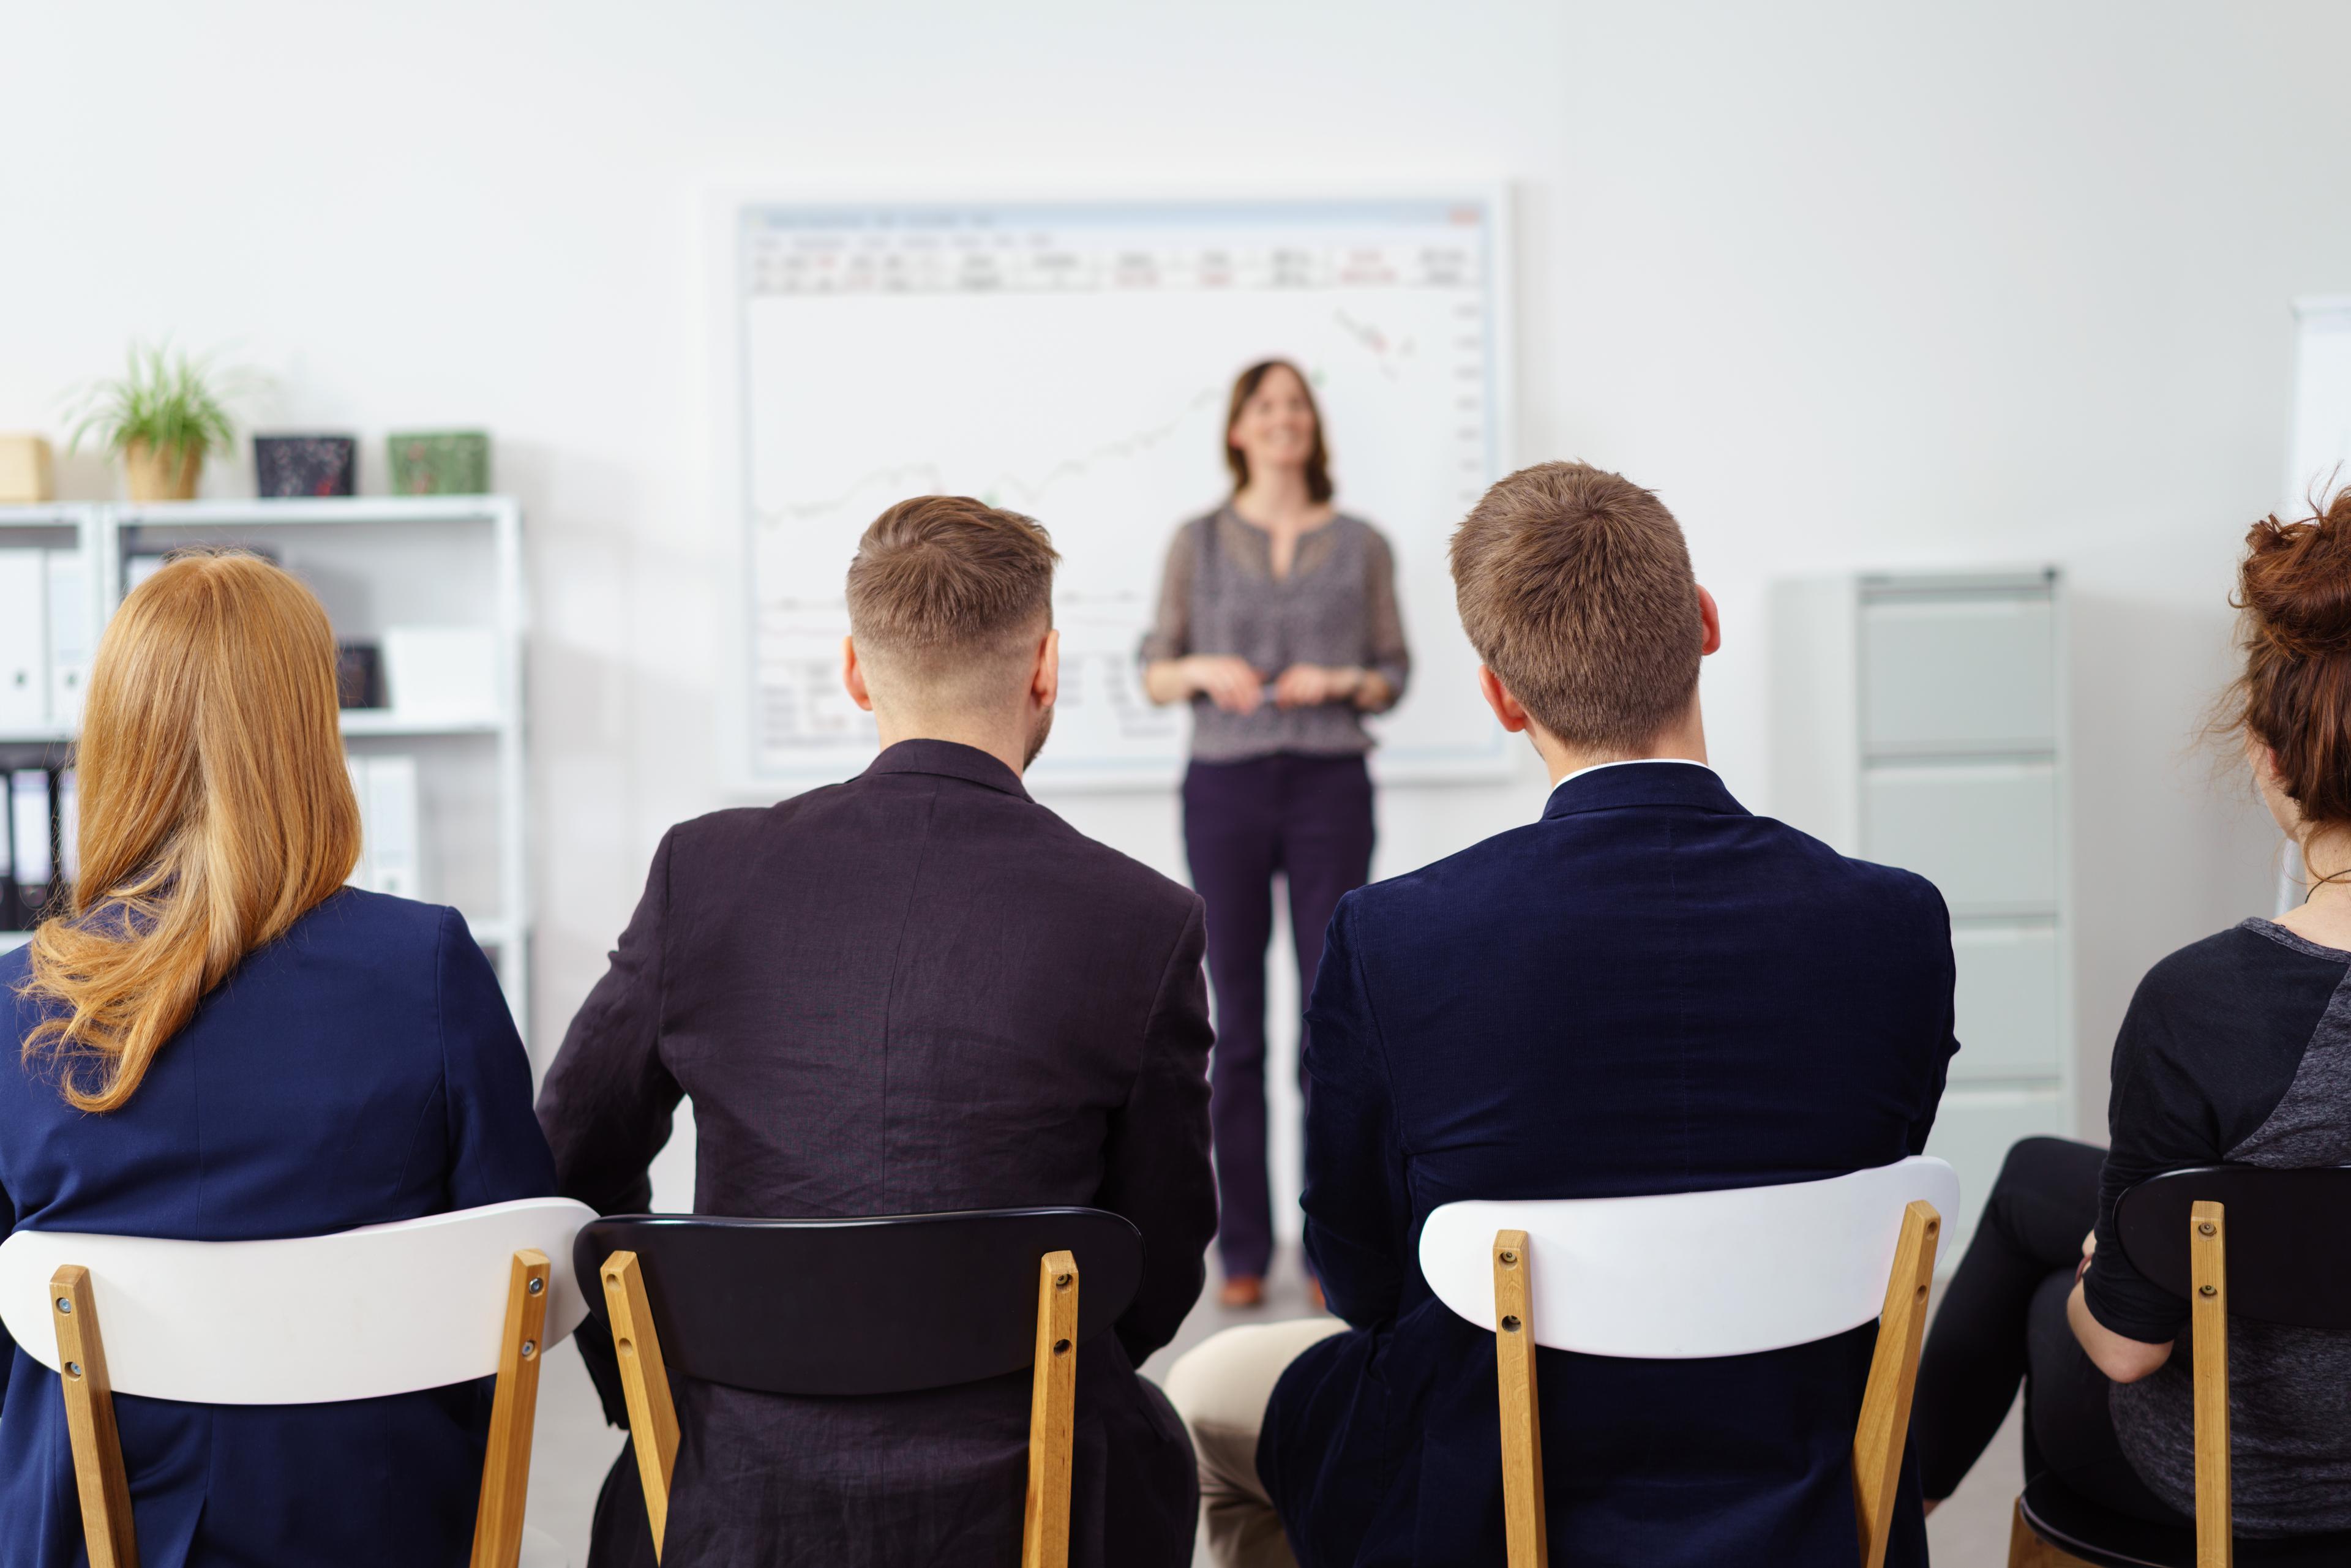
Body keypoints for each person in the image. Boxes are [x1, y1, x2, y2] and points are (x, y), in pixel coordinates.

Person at [1167, 461, 1959, 1567]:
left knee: (1207, 1400)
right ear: (1705, 625)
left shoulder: (1399, 937)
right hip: (1805, 1480)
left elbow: (1359, 1278)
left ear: (1500, 696)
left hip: (1490, 1498)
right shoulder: (1897, 923)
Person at [540, 495, 1216, 1568]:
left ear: (856, 672)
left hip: (728, 1498)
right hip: (1031, 1503)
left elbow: (567, 1162)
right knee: (1153, 1441)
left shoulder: (703, 876)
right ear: (1046, 669)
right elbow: (1161, 1258)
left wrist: (658, 1370)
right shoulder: (1140, 919)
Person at [0, 552, 553, 1568]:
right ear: (310, 736)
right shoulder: (429, 968)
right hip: (378, 1523)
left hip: (84, 1530)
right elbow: (517, 1281)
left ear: (117, 742)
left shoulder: (15, 1003)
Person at [1914, 488, 2351, 1535]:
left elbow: (2125, 1349)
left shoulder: (2202, 1005)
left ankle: (1879, 1516)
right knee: (2035, 1177)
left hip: (2241, 1501)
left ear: (2270, 754)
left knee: (2055, 1307)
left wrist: (2099, 1281)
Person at [1141, 358, 1410, 1308]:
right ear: (1238, 428)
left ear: (1313, 426)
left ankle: (1336, 1247)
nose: (1282, 417)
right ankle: (1244, 1250)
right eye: (1266, 404)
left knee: (1330, 1020)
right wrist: (1201, 668)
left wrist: (1339, 683)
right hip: (1225, 784)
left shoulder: (1363, 543)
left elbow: (1392, 671)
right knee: (1237, 1025)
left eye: (1296, 403)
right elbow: (1154, 668)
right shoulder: (1199, 541)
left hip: (1331, 782)